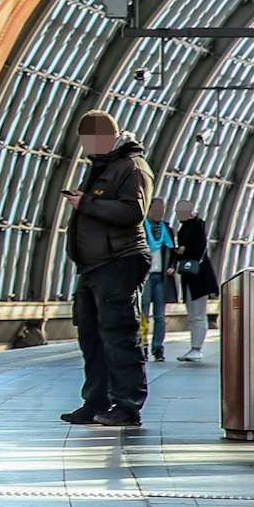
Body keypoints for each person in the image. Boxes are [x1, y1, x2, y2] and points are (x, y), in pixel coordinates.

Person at [59, 109, 154, 428]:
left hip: (119, 261)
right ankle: (96, 401)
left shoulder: (132, 167)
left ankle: (128, 405)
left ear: (104, 137)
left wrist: (85, 203)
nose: (85, 147)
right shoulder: (104, 167)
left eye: (88, 140)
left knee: (119, 335)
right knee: (92, 337)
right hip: (94, 266)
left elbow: (133, 212)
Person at [173, 198, 221, 361]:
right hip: (190, 276)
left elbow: (198, 247)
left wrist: (184, 250)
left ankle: (197, 348)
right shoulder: (185, 227)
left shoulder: (196, 225)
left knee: (198, 313)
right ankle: (194, 347)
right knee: (193, 313)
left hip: (198, 276)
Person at [141, 198, 176, 362]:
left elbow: (173, 251)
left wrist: (172, 266)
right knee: (143, 314)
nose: (158, 212)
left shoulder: (167, 230)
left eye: (161, 209)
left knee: (160, 316)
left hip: (161, 277)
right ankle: (142, 346)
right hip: (145, 277)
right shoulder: (141, 229)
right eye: (155, 209)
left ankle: (158, 348)